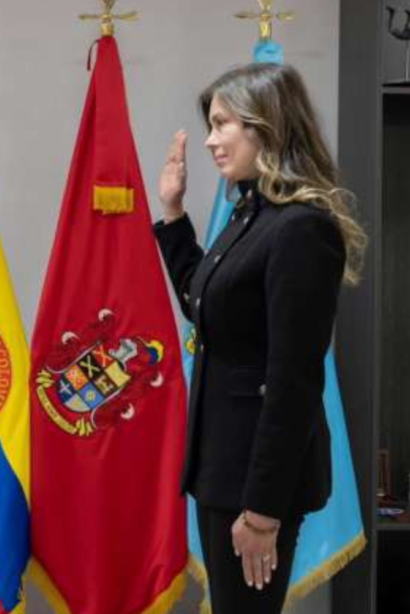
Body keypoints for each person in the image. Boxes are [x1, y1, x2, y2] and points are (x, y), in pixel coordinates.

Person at [154, 63, 366, 613]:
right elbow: (204, 305)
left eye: (222, 124)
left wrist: (263, 512)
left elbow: (294, 381)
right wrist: (173, 215)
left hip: (256, 483)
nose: (210, 140)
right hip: (222, 468)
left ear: (265, 125)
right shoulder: (251, 214)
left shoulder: (301, 228)